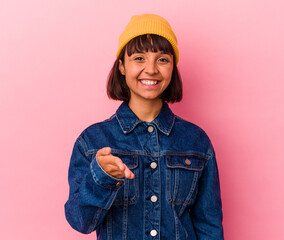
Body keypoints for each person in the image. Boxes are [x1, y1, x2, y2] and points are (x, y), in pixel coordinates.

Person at [65, 14, 224, 239]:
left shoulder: (197, 141)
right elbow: (80, 222)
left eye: (162, 59)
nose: (151, 69)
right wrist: (101, 177)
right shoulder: (92, 141)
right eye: (139, 58)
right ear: (121, 66)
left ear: (172, 68)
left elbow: (209, 225)